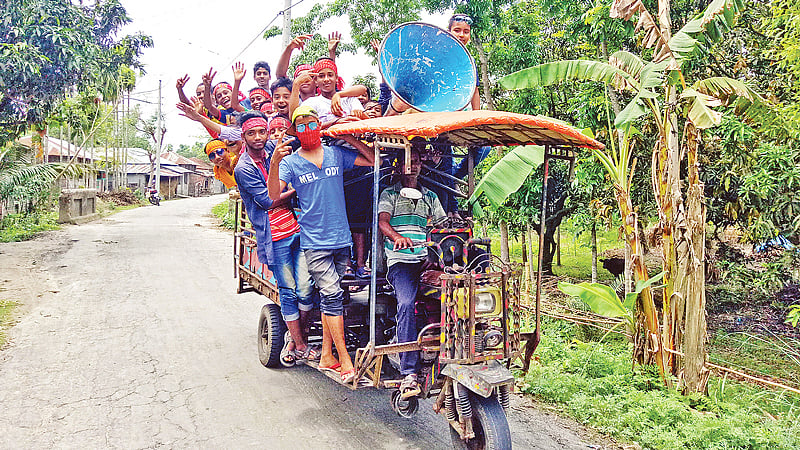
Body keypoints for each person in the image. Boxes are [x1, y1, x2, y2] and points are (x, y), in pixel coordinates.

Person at [268, 105, 374, 384]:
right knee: (332, 295)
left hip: (341, 239)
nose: (308, 130)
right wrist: (275, 162)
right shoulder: (291, 163)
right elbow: (274, 194)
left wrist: (346, 135)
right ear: (295, 132)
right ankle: (345, 359)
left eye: (312, 124)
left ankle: (327, 353)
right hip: (314, 242)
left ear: (319, 126)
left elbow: (373, 160)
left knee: (331, 299)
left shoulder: (335, 154)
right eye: (301, 126)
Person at [234, 110, 317, 366]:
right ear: (244, 137)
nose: (258, 137)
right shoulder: (243, 168)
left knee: (306, 287)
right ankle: (300, 344)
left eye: (262, 131)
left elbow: (297, 133)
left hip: (296, 228)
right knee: (288, 291)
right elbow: (267, 201)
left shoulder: (273, 148)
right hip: (274, 235)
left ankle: (295, 339)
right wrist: (300, 187)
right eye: (251, 133)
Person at [378, 145, 446, 398]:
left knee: (456, 294)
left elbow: (440, 227)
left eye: (416, 161)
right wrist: (397, 237)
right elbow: (383, 221)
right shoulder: (390, 194)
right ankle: (409, 372)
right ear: (398, 166)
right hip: (400, 262)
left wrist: (435, 252)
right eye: (408, 161)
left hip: (424, 260)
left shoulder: (430, 196)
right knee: (406, 303)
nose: (413, 166)